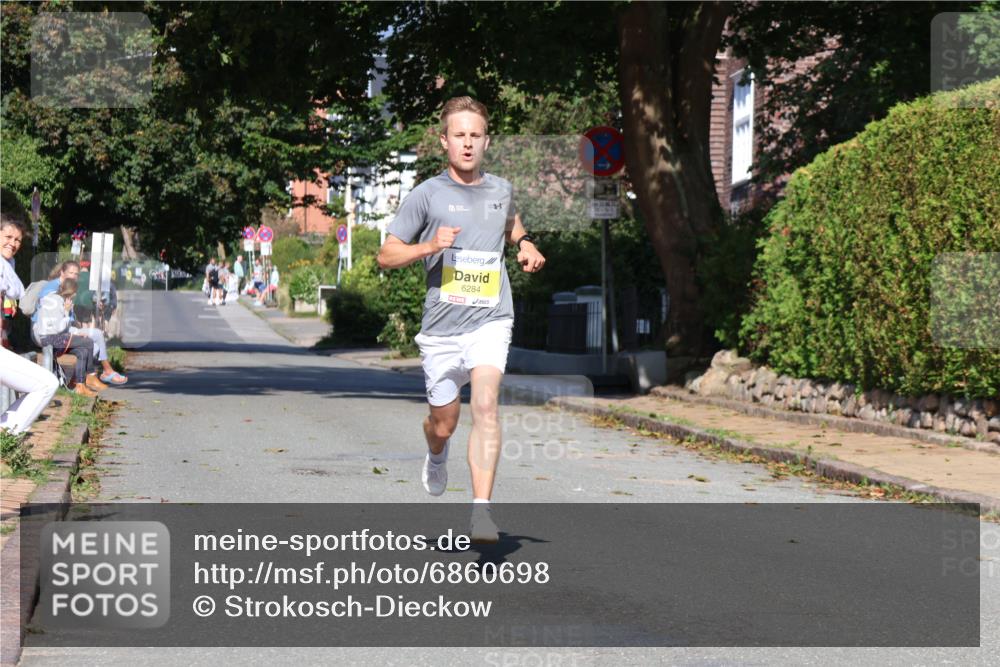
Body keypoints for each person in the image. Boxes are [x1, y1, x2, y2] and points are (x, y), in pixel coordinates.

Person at [376, 96, 545, 543]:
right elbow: (386, 255)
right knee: (444, 424)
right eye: (459, 135)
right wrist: (429, 246)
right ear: (444, 141)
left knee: (486, 406)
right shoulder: (426, 195)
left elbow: (510, 222)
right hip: (441, 330)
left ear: (486, 141)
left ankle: (481, 512)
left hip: (491, 319)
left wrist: (525, 244)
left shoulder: (501, 189)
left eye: (475, 135)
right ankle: (436, 452)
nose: (467, 143)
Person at [1, 214, 59, 434]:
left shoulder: (8, 266)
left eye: (17, 240)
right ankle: (6, 434)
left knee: (44, 384)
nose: (13, 243)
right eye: (8, 237)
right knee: (46, 384)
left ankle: (6, 433)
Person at [33, 261, 127, 385]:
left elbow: (69, 313)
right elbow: (55, 320)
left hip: (63, 327)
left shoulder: (69, 287)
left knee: (97, 337)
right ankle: (97, 374)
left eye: (76, 274)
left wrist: (76, 323)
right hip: (48, 331)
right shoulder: (52, 289)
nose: (73, 276)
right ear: (62, 272)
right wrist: (72, 325)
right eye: (70, 273)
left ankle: (80, 377)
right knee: (89, 342)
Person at [33, 278, 102, 397]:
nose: (75, 295)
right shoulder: (58, 302)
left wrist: (76, 333)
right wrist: (66, 312)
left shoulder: (52, 299)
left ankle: (79, 386)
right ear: (72, 292)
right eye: (75, 292)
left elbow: (59, 326)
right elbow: (59, 328)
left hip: (49, 337)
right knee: (89, 343)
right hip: (53, 339)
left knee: (82, 352)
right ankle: (90, 375)